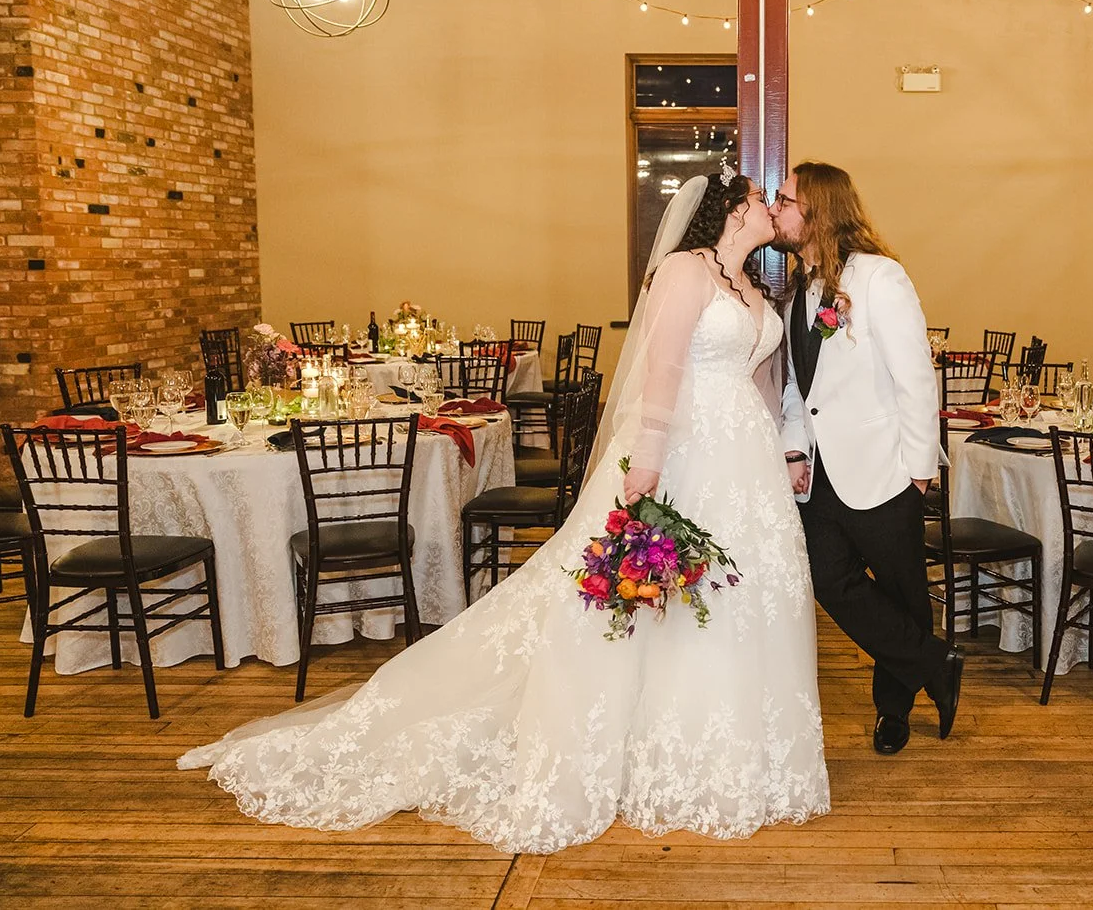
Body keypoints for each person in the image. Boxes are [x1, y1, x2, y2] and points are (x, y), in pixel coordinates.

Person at [178, 172, 830, 854]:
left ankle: (736, 755)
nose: (767, 208)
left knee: (741, 605)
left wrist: (779, 457)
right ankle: (640, 748)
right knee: (645, 602)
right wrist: (648, 462)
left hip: (742, 468)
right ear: (730, 209)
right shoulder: (684, 271)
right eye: (759, 198)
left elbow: (762, 381)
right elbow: (664, 366)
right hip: (680, 455)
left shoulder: (755, 290)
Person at [770, 160, 962, 756]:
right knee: (830, 578)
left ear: (818, 210)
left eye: (785, 200)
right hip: (821, 473)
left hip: (886, 468)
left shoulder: (880, 278)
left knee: (904, 590)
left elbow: (914, 376)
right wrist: (795, 446)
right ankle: (935, 662)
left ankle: (893, 712)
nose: (776, 209)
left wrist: (919, 469)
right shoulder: (799, 291)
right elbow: (802, 386)